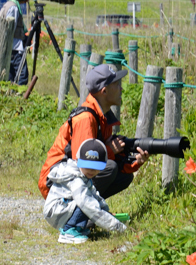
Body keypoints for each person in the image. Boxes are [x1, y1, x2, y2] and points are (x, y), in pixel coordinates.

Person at [38, 64, 149, 200]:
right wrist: (109, 151)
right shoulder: (86, 119)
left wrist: (135, 161)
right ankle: (77, 213)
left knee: (124, 176)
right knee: (110, 168)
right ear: (104, 91)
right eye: (116, 84)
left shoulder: (102, 116)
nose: (121, 89)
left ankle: (89, 211)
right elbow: (80, 164)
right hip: (53, 183)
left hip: (68, 177)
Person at [44, 138, 127, 244]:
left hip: (61, 208)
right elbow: (88, 204)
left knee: (90, 200)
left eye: (96, 167)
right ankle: (69, 232)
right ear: (77, 161)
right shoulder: (75, 179)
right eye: (87, 166)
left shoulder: (82, 175)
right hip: (56, 211)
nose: (91, 170)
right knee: (86, 203)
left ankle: (77, 228)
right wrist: (118, 227)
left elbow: (94, 195)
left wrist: (106, 211)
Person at [0, 0, 36, 87]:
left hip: (11, 47)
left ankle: (11, 96)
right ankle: (19, 98)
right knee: (22, 77)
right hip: (15, 48)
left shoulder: (8, 5)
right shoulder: (13, 7)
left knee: (11, 77)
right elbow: (11, 29)